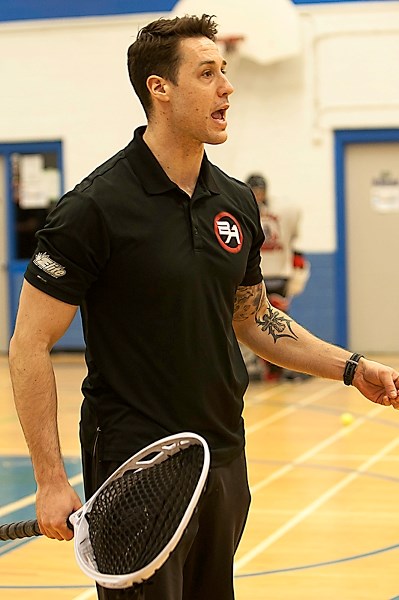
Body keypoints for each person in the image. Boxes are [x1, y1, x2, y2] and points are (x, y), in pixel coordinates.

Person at [8, 14, 399, 600]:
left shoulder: (235, 202)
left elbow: (255, 320)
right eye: (208, 73)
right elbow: (29, 344)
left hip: (222, 454)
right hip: (134, 466)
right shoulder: (93, 209)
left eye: (225, 71)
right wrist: (49, 478)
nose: (227, 87)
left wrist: (351, 367)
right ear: (159, 89)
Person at [246, 173, 309, 380]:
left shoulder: (282, 210)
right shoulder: (243, 209)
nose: (258, 195)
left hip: (278, 275)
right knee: (250, 322)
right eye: (254, 191)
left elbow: (293, 232)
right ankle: (257, 366)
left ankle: (284, 365)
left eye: (260, 191)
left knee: (278, 323)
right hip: (255, 273)